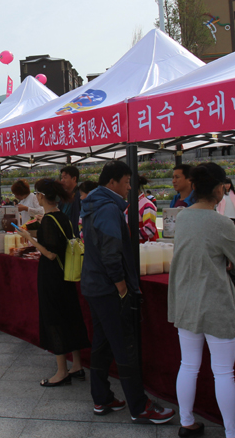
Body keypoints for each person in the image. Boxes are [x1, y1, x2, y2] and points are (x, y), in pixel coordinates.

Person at [80, 160, 175, 424]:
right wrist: (121, 287)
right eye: (127, 182)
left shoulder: (93, 203)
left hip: (93, 284)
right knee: (125, 345)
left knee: (102, 342)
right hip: (108, 288)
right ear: (112, 183)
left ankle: (102, 397)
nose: (130, 187)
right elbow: (111, 252)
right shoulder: (109, 208)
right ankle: (140, 406)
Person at [168, 162, 235, 438]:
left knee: (188, 365)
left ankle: (187, 421)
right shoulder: (221, 222)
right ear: (218, 189)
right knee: (223, 373)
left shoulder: (183, 217)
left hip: (186, 301)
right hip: (216, 303)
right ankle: (232, 432)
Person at [13, 179, 89, 386]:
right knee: (70, 316)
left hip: (52, 276)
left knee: (54, 319)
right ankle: (77, 366)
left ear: (40, 196)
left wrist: (29, 237)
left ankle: (62, 371)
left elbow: (50, 253)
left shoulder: (49, 220)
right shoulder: (62, 217)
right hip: (67, 275)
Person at [58, 165, 81, 239]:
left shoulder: (80, 196)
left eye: (65, 177)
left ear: (74, 179)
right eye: (62, 178)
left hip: (76, 238)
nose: (62, 180)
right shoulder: (63, 197)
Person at [135, 176, 158, 243]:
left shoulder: (147, 205)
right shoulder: (128, 204)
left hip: (144, 250)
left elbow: (149, 231)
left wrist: (127, 234)